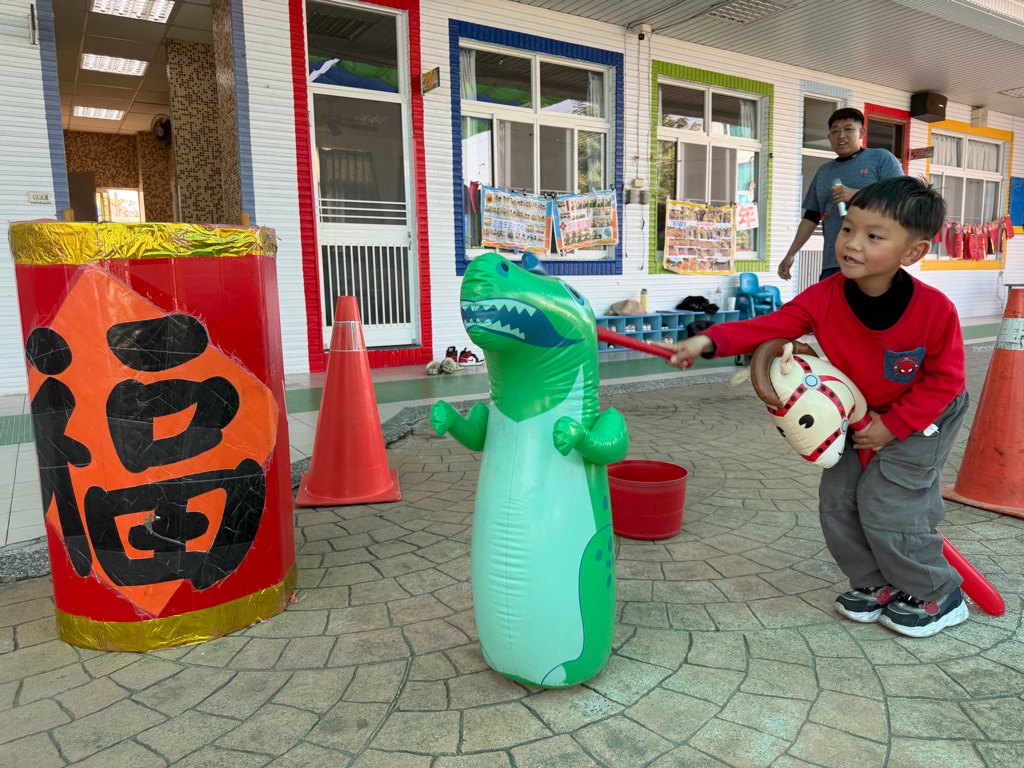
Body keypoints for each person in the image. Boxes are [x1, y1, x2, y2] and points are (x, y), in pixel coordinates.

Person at [664, 177, 970, 638]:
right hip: (856, 407)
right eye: (848, 229)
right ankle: (875, 583)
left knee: (888, 498)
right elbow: (770, 327)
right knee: (838, 498)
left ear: (912, 252)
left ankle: (938, 592)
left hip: (924, 413)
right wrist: (708, 341)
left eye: (874, 236)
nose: (852, 243)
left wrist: (893, 426)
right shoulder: (824, 296)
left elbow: (947, 381)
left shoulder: (934, 310)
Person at [778, 108, 904, 283]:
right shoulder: (823, 172)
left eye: (848, 129)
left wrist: (858, 195)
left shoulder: (880, 158)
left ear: (861, 132)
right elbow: (811, 217)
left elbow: (902, 199)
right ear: (829, 137)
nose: (841, 135)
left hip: (874, 260)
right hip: (834, 261)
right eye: (835, 131)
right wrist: (791, 254)